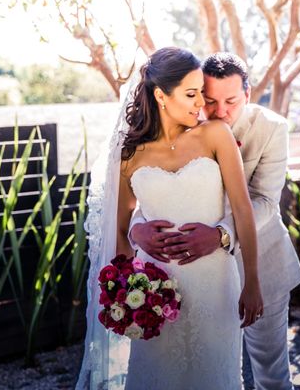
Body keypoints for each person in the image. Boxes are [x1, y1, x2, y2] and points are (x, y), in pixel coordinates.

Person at [76, 47, 262, 390]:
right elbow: (118, 229)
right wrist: (136, 240)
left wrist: (252, 280)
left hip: (215, 284)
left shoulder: (215, 135)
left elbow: (243, 209)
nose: (199, 104)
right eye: (191, 95)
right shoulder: (129, 154)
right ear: (161, 95)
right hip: (155, 290)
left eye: (201, 95)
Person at [130, 52, 300, 390]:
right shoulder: (182, 123)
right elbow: (157, 187)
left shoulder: (272, 129)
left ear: (248, 95)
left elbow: (266, 202)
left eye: (231, 101)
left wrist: (222, 234)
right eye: (210, 100)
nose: (220, 111)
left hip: (262, 263)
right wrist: (137, 229)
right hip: (195, 274)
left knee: (271, 373)